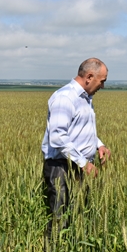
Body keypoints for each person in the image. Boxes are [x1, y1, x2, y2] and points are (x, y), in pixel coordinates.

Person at [41, 57, 111, 238]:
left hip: (77, 165)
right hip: (61, 167)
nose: (102, 86)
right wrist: (84, 164)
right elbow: (58, 137)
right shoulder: (65, 97)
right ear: (89, 76)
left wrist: (99, 145)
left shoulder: (85, 98)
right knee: (60, 218)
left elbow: (81, 129)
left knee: (78, 215)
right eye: (101, 81)